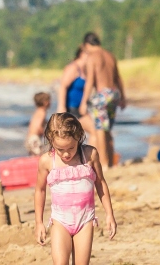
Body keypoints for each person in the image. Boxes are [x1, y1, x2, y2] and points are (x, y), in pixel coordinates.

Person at [33, 112, 117, 265]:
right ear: (51, 141)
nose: (66, 154)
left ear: (79, 137)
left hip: (85, 221)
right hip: (60, 221)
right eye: (60, 149)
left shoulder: (89, 155)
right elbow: (40, 190)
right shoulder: (46, 161)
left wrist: (109, 214)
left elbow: (100, 183)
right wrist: (38, 222)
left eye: (71, 148)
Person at [76, 32, 125, 167]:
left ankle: (104, 164)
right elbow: (118, 78)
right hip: (114, 93)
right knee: (107, 129)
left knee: (100, 130)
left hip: (101, 95)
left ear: (87, 45)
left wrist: (83, 102)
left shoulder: (93, 56)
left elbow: (90, 80)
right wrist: (123, 97)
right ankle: (110, 162)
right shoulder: (110, 55)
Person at [55, 48, 85, 115]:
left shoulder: (84, 69)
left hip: (79, 108)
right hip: (70, 107)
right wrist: (61, 106)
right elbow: (63, 86)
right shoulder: (73, 68)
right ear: (82, 54)